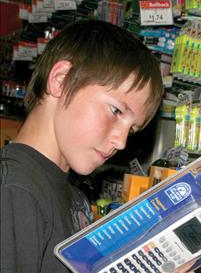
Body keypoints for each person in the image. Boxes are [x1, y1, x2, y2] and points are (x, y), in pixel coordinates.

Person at [1, 20, 163, 273]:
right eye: (116, 110)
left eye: (131, 129)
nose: (121, 142)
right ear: (61, 80)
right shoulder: (14, 190)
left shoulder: (74, 197)